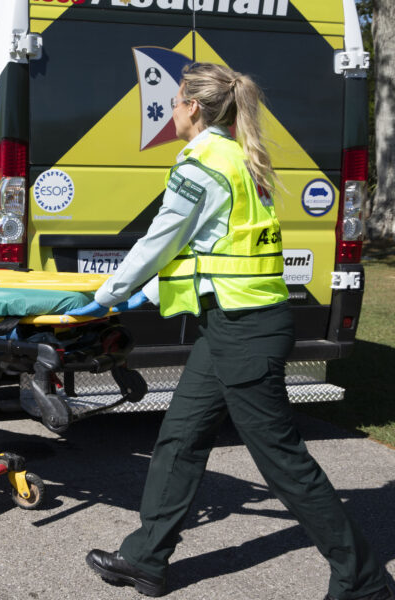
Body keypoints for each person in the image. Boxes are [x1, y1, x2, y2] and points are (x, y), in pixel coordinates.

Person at [67, 63, 393, 600]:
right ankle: (146, 558)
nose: (169, 111)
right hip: (233, 325)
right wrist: (146, 294)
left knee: (282, 460)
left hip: (247, 330)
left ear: (193, 107)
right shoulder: (237, 155)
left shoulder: (202, 163)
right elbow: (209, 252)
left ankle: (363, 581)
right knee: (181, 437)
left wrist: (101, 299)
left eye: (173, 102)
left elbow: (159, 242)